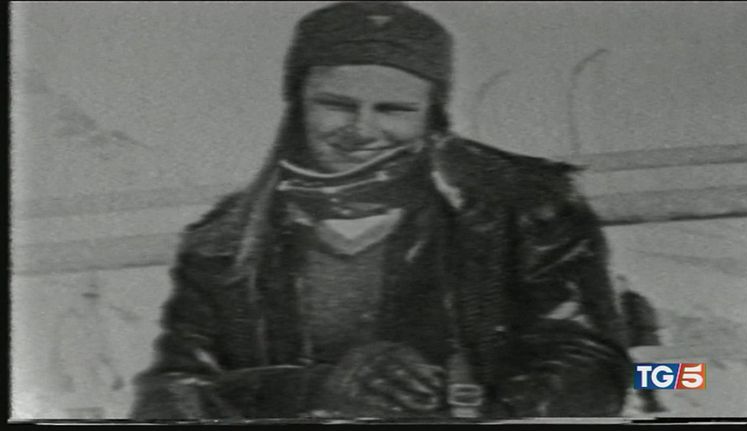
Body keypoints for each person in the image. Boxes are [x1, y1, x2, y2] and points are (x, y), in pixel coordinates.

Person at [130, 1, 632, 420]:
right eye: (336, 104)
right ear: (298, 102)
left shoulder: (523, 207)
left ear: (433, 113)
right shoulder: (222, 242)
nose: (361, 130)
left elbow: (597, 371)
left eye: (394, 110)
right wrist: (317, 389)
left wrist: (458, 404)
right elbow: (167, 399)